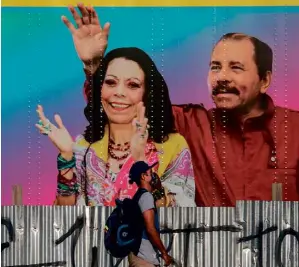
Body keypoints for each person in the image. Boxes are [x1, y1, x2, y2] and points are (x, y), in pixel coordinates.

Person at [66, 4, 299, 206]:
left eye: (235, 67)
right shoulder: (192, 125)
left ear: (264, 80)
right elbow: (124, 106)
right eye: (215, 67)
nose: (222, 77)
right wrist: (93, 66)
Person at [35, 43, 196, 207]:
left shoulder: (172, 147)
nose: (119, 92)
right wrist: (67, 156)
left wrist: (141, 162)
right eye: (111, 82)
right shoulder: (83, 147)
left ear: (148, 93)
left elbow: (178, 217)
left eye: (132, 85)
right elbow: (64, 218)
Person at [128, 161, 173, 267]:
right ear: (143, 176)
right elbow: (150, 229)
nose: (154, 175)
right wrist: (164, 252)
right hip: (144, 258)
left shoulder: (138, 196)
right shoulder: (146, 197)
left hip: (139, 255)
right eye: (150, 172)